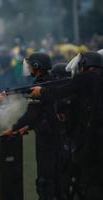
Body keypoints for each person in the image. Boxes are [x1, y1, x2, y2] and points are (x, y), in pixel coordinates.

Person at [31, 51, 103, 199]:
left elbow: (62, 91)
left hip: (94, 141)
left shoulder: (87, 77)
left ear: (85, 65)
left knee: (91, 183)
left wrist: (42, 91)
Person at [3, 52, 60, 200]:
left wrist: (13, 128)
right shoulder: (49, 81)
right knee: (54, 175)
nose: (27, 67)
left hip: (46, 136)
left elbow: (32, 113)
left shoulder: (41, 85)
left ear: (37, 66)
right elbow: (44, 111)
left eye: (30, 64)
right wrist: (28, 127)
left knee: (45, 178)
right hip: (53, 133)